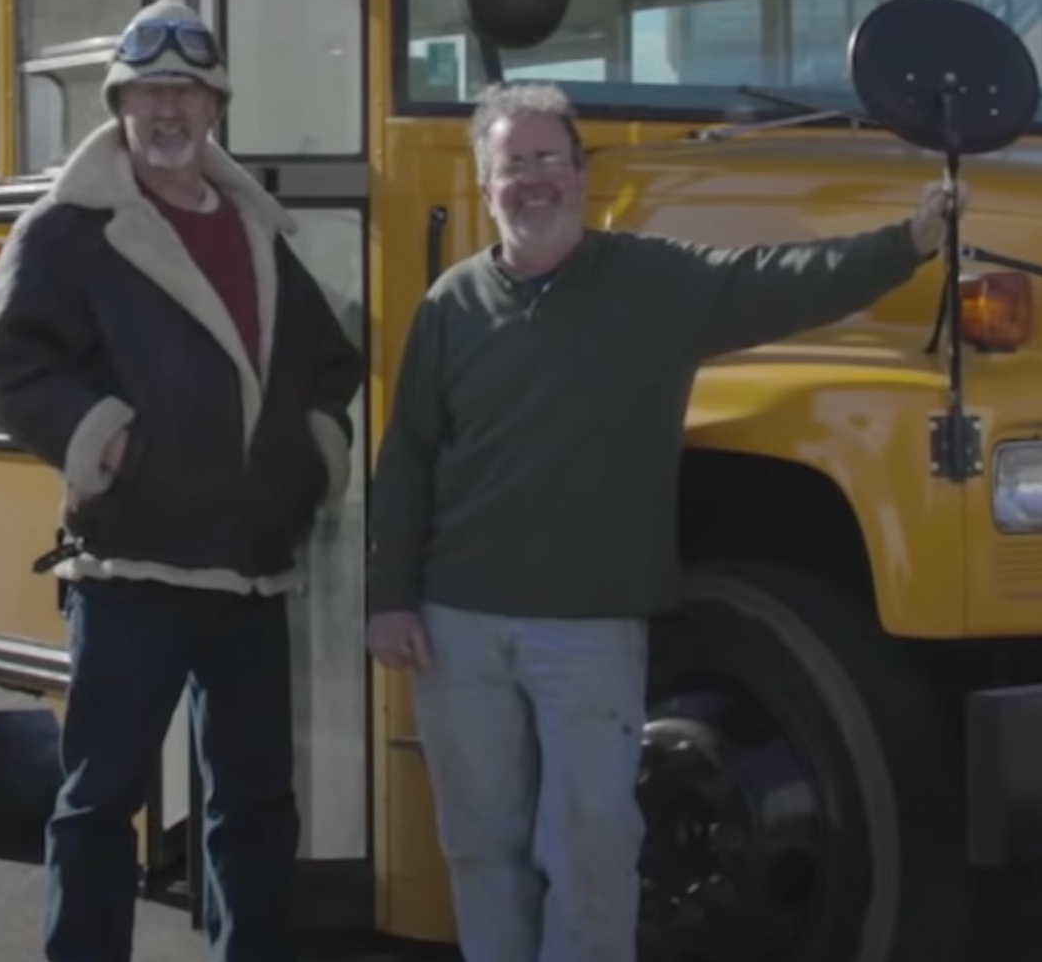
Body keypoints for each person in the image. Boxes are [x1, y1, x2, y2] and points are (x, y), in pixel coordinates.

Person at [363, 80, 953, 962]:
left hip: (590, 626)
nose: (532, 180)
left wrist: (908, 244)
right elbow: (407, 457)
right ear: (485, 185)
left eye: (547, 161)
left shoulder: (654, 284)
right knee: (482, 848)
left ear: (579, 175)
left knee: (594, 851)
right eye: (511, 164)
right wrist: (389, 596)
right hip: (460, 626)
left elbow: (782, 283)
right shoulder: (452, 303)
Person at [0, 0, 365, 962]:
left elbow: (327, 364)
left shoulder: (256, 230)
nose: (168, 110)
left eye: (186, 90)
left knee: (256, 807)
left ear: (215, 105)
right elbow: (8, 367)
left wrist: (312, 456)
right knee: (101, 803)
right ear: (121, 105)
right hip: (128, 572)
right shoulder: (70, 230)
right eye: (149, 90)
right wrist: (109, 443)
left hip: (249, 571)